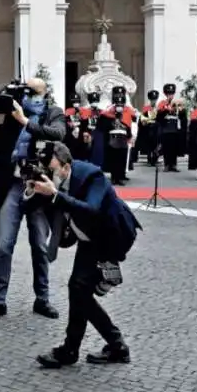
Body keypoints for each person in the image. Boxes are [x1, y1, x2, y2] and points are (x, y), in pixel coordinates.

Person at [32, 142, 140, 369]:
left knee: (80, 291)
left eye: (53, 170)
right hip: (89, 238)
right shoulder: (59, 184)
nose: (51, 176)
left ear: (66, 166)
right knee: (77, 289)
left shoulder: (92, 176)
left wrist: (55, 195)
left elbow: (91, 209)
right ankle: (77, 349)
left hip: (111, 236)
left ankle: (109, 345)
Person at [0, 78, 66, 320]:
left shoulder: (52, 113)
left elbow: (59, 134)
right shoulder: (9, 115)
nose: (29, 96)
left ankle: (42, 299)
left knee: (40, 246)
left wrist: (25, 121)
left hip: (39, 187)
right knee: (3, 245)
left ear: (44, 92)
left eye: (33, 91)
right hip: (11, 186)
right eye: (26, 92)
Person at [155, 83, 187, 172]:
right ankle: (166, 164)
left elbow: (183, 116)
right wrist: (166, 109)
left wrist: (181, 111)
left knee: (174, 147)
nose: (171, 95)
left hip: (175, 127)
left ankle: (174, 164)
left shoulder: (178, 103)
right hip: (166, 128)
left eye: (172, 93)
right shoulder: (162, 103)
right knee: (167, 147)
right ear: (166, 94)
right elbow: (159, 117)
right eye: (169, 93)